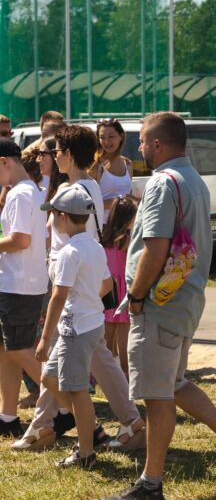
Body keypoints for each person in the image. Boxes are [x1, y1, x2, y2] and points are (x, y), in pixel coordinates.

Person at [105, 112, 216, 500]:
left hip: (159, 305)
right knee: (173, 385)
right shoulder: (192, 179)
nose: (140, 147)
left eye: (143, 141)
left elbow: (155, 248)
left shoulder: (162, 183)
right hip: (183, 302)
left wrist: (136, 297)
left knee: (158, 397)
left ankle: (150, 484)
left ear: (158, 144)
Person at [14, 127, 145, 454]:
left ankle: (49, 427)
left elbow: (70, 242)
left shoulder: (75, 190)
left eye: (57, 151)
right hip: (80, 287)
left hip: (72, 288)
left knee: (59, 364)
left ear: (69, 154)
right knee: (93, 360)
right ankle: (127, 422)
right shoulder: (85, 186)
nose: (53, 157)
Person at [35, 187, 113, 470]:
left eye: (53, 214)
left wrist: (45, 338)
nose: (52, 220)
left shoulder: (69, 252)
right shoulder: (94, 246)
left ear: (63, 217)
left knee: (77, 391)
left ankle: (86, 452)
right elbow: (106, 284)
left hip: (76, 329)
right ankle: (89, 426)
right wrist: (89, 299)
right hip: (88, 324)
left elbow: (58, 296)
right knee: (49, 378)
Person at [0, 140, 48, 439]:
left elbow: (20, 240)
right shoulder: (28, 190)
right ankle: (7, 417)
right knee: (7, 352)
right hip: (20, 283)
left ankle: (71, 408)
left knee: (19, 350)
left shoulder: (19, 194)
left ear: (4, 162)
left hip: (19, 285)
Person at [102, 196, 138, 376]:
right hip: (123, 287)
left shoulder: (105, 237)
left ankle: (107, 369)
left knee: (109, 329)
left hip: (108, 286)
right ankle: (125, 369)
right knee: (124, 329)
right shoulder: (128, 239)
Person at [89, 118, 133, 212]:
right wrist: (115, 203)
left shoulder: (128, 163)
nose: (106, 141)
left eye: (111, 136)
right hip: (102, 221)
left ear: (121, 136)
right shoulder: (95, 164)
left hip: (125, 220)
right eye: (102, 137)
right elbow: (87, 204)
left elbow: (129, 196)